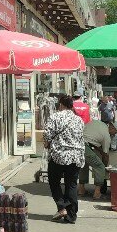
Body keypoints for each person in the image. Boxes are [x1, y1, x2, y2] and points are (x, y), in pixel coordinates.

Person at [43, 94, 85, 224]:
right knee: (71, 185)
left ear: (61, 104)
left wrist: (47, 143)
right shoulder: (79, 120)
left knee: (54, 181)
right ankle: (71, 215)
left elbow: (47, 134)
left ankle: (61, 207)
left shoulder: (55, 117)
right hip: (76, 155)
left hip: (59, 155)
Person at [79, 119, 112, 200]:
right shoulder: (107, 135)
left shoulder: (98, 123)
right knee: (99, 166)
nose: (114, 135)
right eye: (115, 133)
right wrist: (104, 167)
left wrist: (100, 151)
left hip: (77, 143)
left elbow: (92, 140)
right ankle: (97, 193)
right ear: (113, 128)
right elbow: (105, 155)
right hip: (84, 146)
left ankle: (81, 190)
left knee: (83, 165)